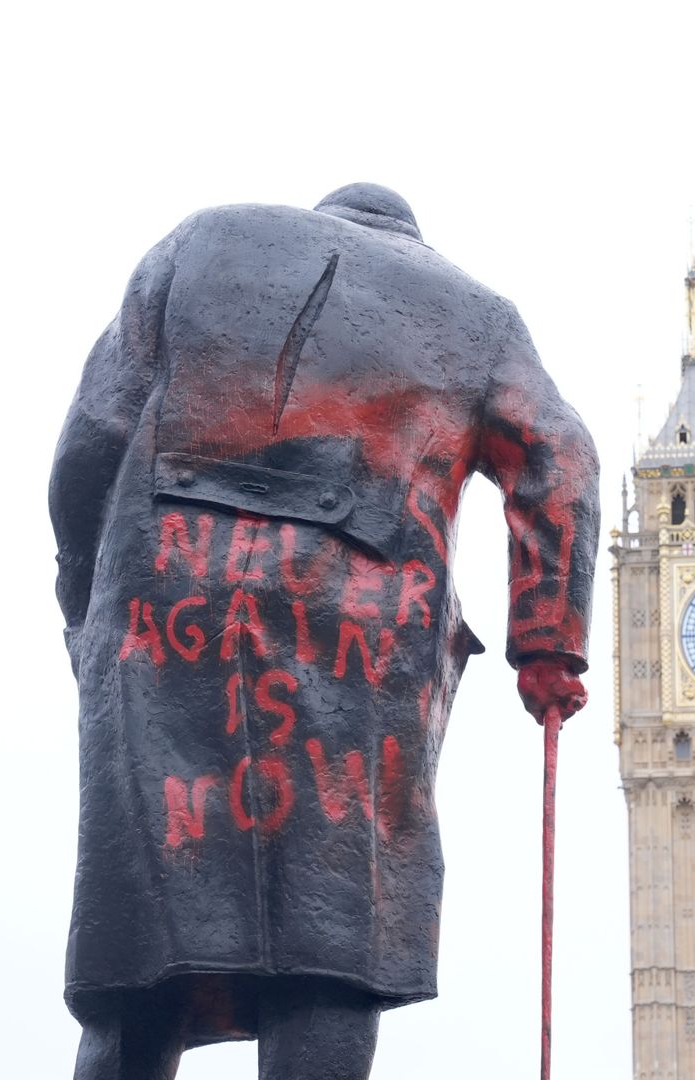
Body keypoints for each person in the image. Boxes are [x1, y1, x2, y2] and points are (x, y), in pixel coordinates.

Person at [49, 182, 598, 1080]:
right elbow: (561, 458)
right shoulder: (482, 319)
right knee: (334, 939)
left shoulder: (200, 241)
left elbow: (91, 440)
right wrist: (547, 642)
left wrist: (84, 597)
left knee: (137, 937)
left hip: (161, 607)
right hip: (364, 630)